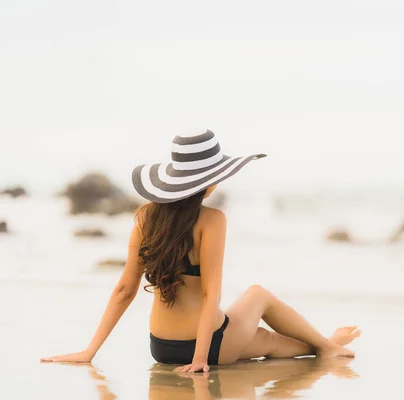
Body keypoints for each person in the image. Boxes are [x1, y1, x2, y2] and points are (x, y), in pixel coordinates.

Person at [41, 129, 360, 373]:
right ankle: (326, 345)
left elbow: (125, 289)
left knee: (267, 341)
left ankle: (327, 344)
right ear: (210, 181)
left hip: (161, 347)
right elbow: (211, 295)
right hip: (206, 346)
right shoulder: (212, 220)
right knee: (258, 294)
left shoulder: (144, 216)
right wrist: (199, 360)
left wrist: (89, 351)